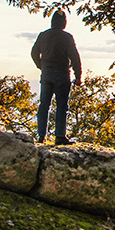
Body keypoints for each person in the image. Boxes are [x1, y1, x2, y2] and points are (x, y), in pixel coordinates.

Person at [31, 10, 82, 145]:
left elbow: (34, 52)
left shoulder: (43, 35)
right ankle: (59, 136)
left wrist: (41, 66)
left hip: (46, 73)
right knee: (61, 106)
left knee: (44, 105)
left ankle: (41, 136)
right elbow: (75, 57)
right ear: (64, 23)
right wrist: (78, 76)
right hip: (62, 73)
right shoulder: (67, 37)